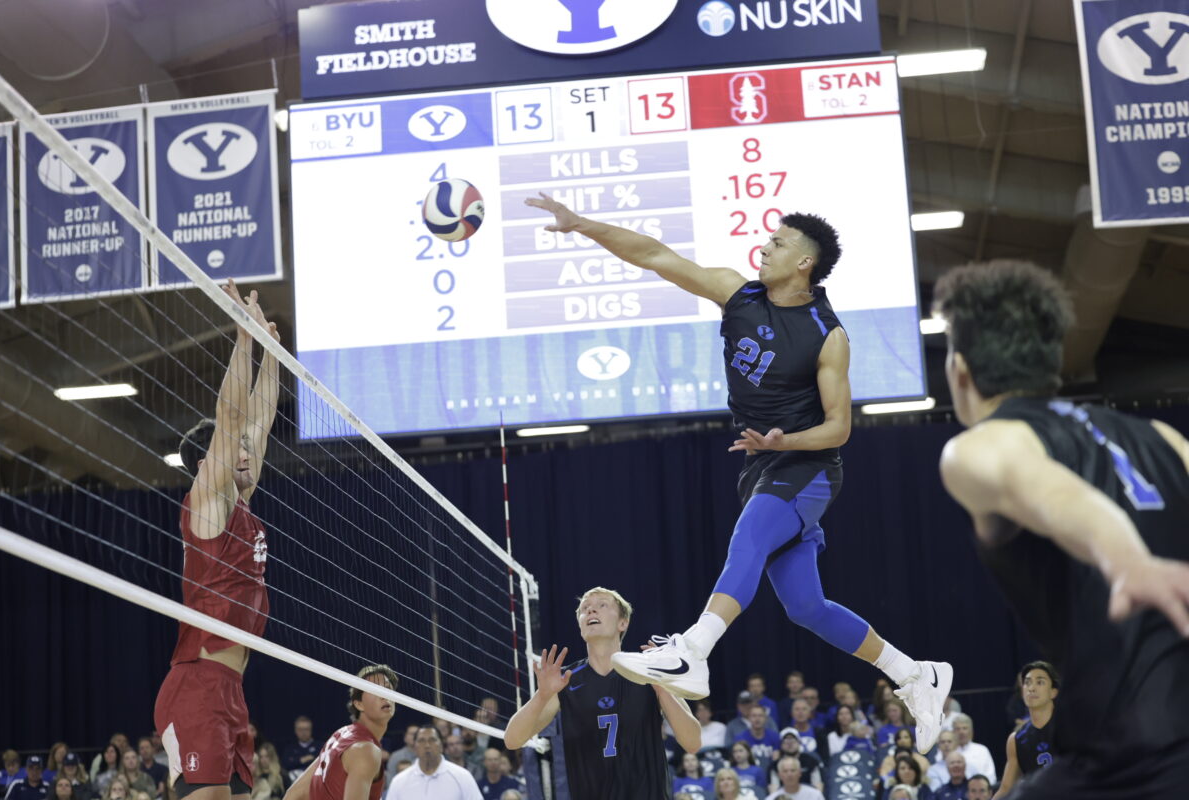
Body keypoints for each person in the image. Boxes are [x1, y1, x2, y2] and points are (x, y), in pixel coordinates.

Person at [526, 194, 953, 753]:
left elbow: (839, 427)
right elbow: (655, 255)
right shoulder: (738, 294)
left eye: (778, 244)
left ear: (804, 263)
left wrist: (785, 440)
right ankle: (917, 673)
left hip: (809, 465)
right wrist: (582, 225)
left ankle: (693, 650)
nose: (766, 247)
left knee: (748, 538)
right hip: (761, 465)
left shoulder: (828, 335)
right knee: (805, 607)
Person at [936, 259, 1189, 797]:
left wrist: (1128, 562)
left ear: (960, 370)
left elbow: (1048, 490)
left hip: (1134, 764)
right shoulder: (1164, 438)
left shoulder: (981, 445)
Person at [153, 280, 280, 800]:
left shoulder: (242, 504)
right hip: (198, 686)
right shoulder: (209, 499)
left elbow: (257, 421)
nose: (246, 452)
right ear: (208, 465)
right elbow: (232, 421)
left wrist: (271, 350)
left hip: (231, 693)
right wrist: (244, 340)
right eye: (232, 451)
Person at [503, 586, 701, 799]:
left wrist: (661, 688)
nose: (591, 611)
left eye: (601, 605)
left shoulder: (650, 672)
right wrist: (542, 696)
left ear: (622, 623)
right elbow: (512, 740)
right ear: (580, 626)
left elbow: (693, 743)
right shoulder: (565, 680)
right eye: (584, 608)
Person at [282, 664, 397, 800]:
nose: (385, 695)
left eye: (388, 688)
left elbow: (292, 795)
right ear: (358, 704)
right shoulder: (366, 749)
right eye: (376, 689)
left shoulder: (340, 734)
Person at [994, 661, 1058, 799]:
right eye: (1027, 683)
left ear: (1053, 692)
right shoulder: (1016, 739)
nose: (1031, 688)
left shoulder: (1071, 727)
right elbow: (1005, 789)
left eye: (1039, 682)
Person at [383, 726, 478, 800]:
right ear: (415, 747)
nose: (427, 745)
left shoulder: (462, 776)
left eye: (432, 740)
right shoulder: (399, 781)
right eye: (421, 741)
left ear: (441, 746)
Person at [281, 718, 318, 783]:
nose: (303, 732)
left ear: (311, 730)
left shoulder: (320, 747)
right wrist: (301, 760)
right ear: (295, 731)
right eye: (300, 730)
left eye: (306, 729)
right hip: (294, 783)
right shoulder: (290, 749)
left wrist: (296, 761)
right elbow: (285, 765)